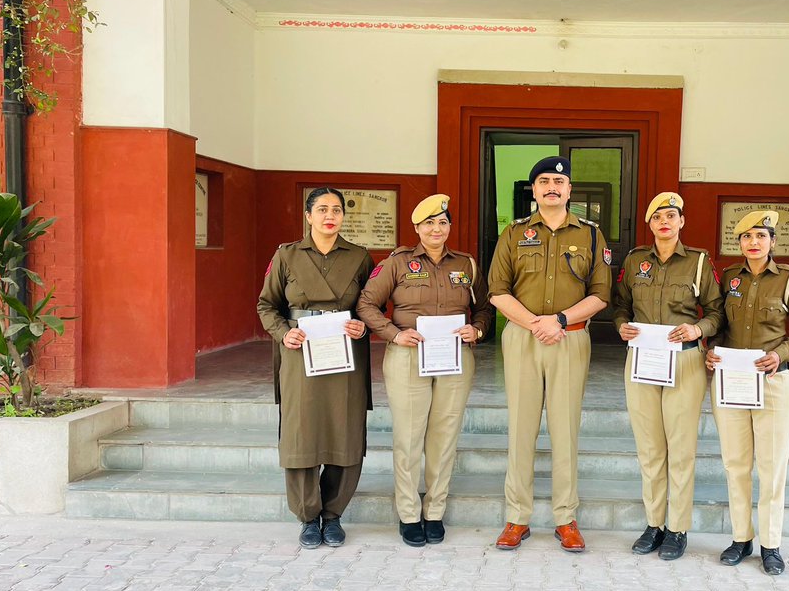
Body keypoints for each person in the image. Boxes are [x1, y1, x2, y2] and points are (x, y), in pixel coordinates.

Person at [487, 156, 613, 552]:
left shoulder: (592, 236)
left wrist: (558, 319)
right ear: (535, 190)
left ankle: (565, 517)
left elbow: (601, 295)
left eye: (559, 181)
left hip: (569, 338)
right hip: (524, 339)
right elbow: (497, 291)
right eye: (544, 181)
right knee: (521, 429)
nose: (552, 187)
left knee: (565, 430)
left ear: (569, 190)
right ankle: (516, 518)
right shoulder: (514, 233)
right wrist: (535, 323)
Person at [356, 193, 493, 548]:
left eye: (442, 222)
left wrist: (476, 330)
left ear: (449, 227)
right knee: (409, 436)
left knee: (444, 437)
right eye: (429, 223)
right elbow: (367, 304)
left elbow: (485, 310)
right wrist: (394, 333)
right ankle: (408, 513)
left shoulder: (466, 264)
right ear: (417, 227)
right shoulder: (396, 264)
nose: (436, 229)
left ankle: (434, 511)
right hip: (408, 356)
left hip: (454, 358)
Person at [257, 187, 374, 549]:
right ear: (308, 216)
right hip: (300, 350)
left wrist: (363, 324)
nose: (330, 215)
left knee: (345, 429)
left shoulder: (359, 257)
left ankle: (334, 513)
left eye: (337, 209)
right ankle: (308, 516)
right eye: (322, 209)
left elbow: (370, 306)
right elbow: (266, 305)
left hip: (344, 354)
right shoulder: (287, 256)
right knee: (301, 433)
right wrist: (283, 333)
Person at [612, 192, 723, 560]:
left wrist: (698, 330)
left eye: (672, 215)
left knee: (680, 448)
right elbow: (621, 304)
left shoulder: (698, 262)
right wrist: (621, 325)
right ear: (649, 223)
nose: (665, 221)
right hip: (643, 359)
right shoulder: (635, 260)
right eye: (658, 216)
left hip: (685, 362)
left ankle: (678, 527)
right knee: (649, 448)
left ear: (681, 222)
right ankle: (654, 523)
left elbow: (719, 312)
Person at [706, 210, 789, 575]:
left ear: (772, 242)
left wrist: (779, 354)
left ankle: (771, 545)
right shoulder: (729, 279)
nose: (753, 243)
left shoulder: (788, 279)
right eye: (746, 237)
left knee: (771, 468)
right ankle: (741, 538)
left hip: (773, 382)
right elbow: (719, 321)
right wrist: (713, 349)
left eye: (760, 236)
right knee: (736, 464)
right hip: (732, 381)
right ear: (739, 243)